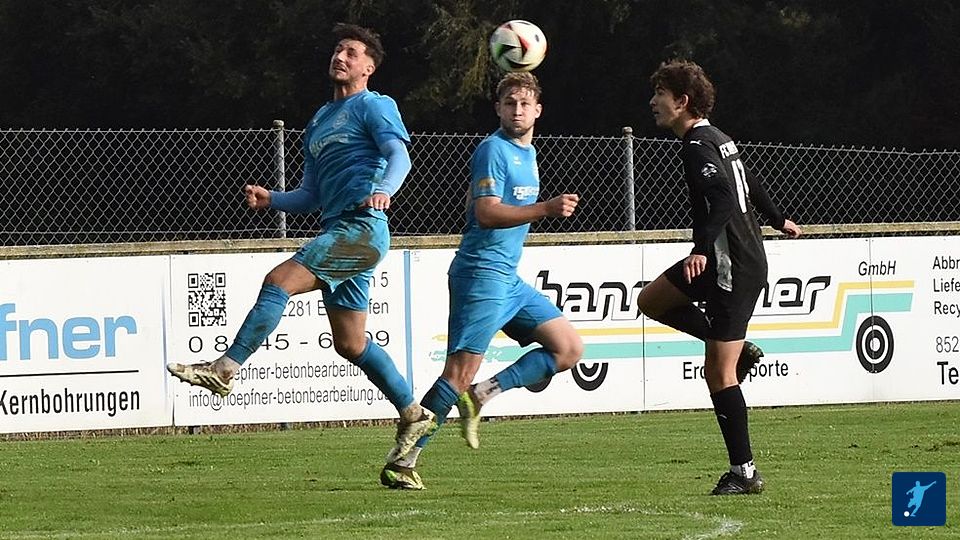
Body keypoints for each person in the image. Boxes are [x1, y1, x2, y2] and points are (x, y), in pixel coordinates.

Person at [167, 23, 436, 448]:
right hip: (340, 229)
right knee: (350, 344)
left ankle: (225, 370)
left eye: (351, 52)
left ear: (368, 68)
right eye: (337, 49)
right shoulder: (319, 121)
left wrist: (384, 189)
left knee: (279, 281)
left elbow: (398, 154)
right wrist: (271, 199)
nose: (340, 57)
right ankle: (412, 412)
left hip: (361, 228)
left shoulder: (374, 105)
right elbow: (311, 195)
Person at [379, 72, 584, 490]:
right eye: (509, 103)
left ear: (538, 110)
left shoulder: (528, 152)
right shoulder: (493, 149)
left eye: (524, 104)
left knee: (568, 348)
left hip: (507, 279)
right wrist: (546, 208)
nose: (517, 110)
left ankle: (482, 394)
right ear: (498, 109)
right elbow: (486, 212)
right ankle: (403, 461)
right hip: (481, 274)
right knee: (456, 373)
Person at [640, 59, 802, 495]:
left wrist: (700, 247)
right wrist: (777, 218)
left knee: (718, 373)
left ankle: (744, 473)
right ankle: (738, 348)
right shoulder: (718, 138)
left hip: (733, 265)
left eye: (660, 94)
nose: (653, 101)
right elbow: (749, 183)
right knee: (651, 301)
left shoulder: (698, 144)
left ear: (682, 101)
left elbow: (724, 197)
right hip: (726, 261)